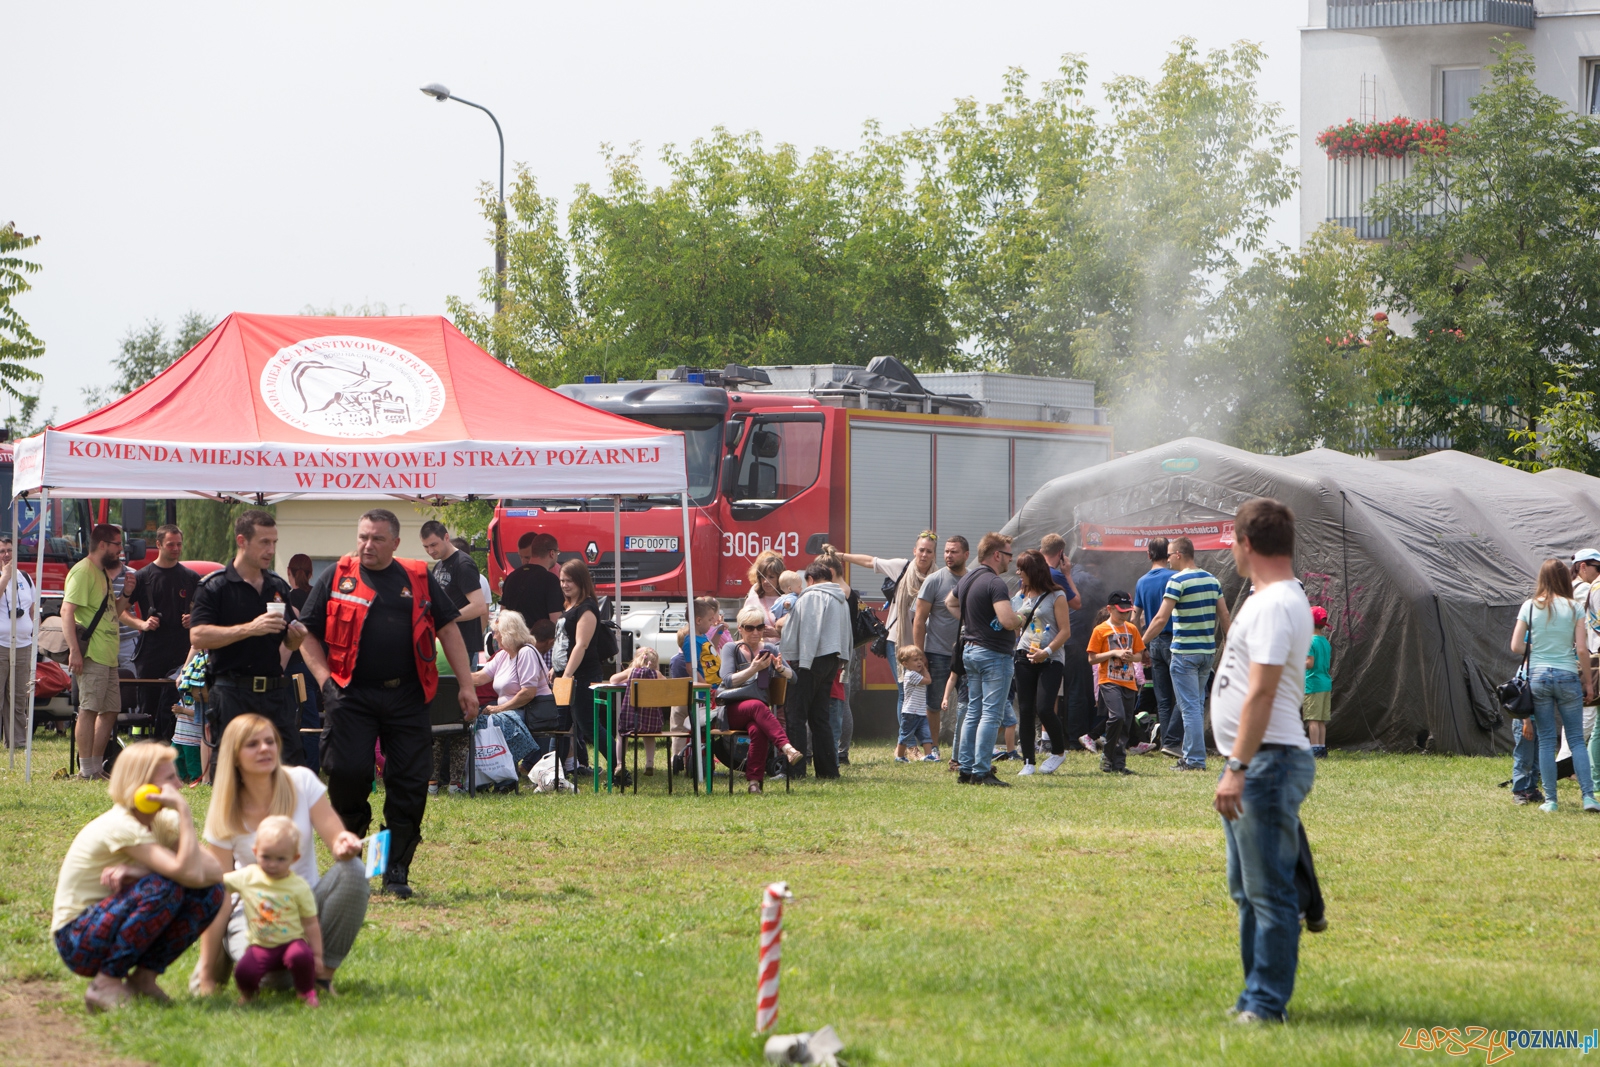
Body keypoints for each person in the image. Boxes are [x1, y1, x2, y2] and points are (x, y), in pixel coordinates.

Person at [296, 509, 476, 898]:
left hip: (407, 695)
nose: (367, 545)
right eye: (363, 537)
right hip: (350, 694)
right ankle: (353, 860)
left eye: (377, 539)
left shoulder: (418, 577)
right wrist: (325, 681)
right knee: (346, 774)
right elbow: (307, 633)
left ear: (395, 543)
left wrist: (466, 686)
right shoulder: (336, 576)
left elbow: (448, 629)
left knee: (408, 784)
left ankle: (393, 868)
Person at [1209, 498, 1315, 1025]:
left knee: (1269, 893)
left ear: (1246, 544)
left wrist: (1237, 766)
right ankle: (1253, 997)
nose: (1232, 550)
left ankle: (1267, 1005)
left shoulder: (1275, 604)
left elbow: (1264, 693)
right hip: (1258, 761)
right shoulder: (1264, 597)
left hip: (1265, 763)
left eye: (1233, 541)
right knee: (1247, 890)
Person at [195, 714, 367, 997]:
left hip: (305, 902)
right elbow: (221, 891)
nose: (265, 749)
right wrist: (206, 972)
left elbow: (335, 837)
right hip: (255, 911)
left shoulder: (301, 780)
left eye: (269, 741)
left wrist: (344, 842)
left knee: (353, 871)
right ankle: (236, 955)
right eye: (252, 744)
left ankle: (322, 977)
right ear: (235, 757)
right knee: (269, 980)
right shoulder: (225, 805)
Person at [52, 741, 224, 1012]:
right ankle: (105, 984)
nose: (178, 786)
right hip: (77, 938)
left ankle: (143, 980)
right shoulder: (121, 825)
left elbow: (214, 871)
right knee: (164, 886)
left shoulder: (161, 821)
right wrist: (185, 812)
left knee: (209, 893)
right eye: (169, 778)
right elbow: (185, 872)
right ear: (143, 787)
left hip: (108, 924)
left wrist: (142, 870)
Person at [189, 511, 309, 765]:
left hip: (274, 694)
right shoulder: (215, 586)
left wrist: (295, 639)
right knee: (233, 772)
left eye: (274, 542)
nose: (271, 549)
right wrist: (248, 629)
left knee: (290, 769)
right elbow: (198, 636)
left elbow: (286, 641)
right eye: (264, 542)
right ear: (242, 541)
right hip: (232, 692)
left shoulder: (277, 586)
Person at [1510, 558, 1599, 812]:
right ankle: (1589, 798)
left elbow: (1516, 646)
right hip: (1568, 676)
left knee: (1547, 741)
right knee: (1576, 740)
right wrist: (1589, 686)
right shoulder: (1574, 607)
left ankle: (1551, 801)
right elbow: (1582, 649)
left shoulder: (1529, 606)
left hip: (1538, 676)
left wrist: (1540, 648)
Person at [1142, 537, 1231, 771]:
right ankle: (1190, 755)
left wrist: (1140, 644)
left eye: (1169, 555)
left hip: (1184, 654)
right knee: (1196, 705)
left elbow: (1161, 618)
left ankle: (1194, 760)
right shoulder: (1212, 580)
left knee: (1189, 707)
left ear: (1179, 554)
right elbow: (1224, 615)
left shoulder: (1176, 580)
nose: (1168, 559)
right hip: (1206, 653)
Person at [948, 533, 1024, 787]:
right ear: (996, 555)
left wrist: (973, 621)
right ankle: (982, 771)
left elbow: (950, 602)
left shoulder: (969, 576)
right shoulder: (995, 582)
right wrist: (1021, 618)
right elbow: (1007, 620)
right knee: (991, 714)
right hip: (993, 654)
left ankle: (966, 769)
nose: (1010, 561)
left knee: (973, 711)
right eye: (1008, 555)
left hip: (970, 651)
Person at [224, 814, 323, 1006]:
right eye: (266, 857)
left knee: (302, 957)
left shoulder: (298, 886)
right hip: (260, 944)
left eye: (280, 859)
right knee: (243, 971)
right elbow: (221, 882)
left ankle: (306, 992)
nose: (272, 864)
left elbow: (311, 922)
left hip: (291, 942)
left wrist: (318, 955)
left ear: (294, 858)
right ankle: (249, 994)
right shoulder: (248, 876)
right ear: (255, 851)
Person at [837, 533, 938, 720]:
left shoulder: (937, 577)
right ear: (914, 551)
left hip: (925, 644)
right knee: (905, 690)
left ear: (934, 555)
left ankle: (918, 738)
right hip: (897, 641)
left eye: (929, 551)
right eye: (921, 550)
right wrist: (842, 556)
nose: (924, 555)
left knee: (922, 692)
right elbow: (870, 562)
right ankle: (906, 742)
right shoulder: (902, 567)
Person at [62, 523, 129, 780]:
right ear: (103, 545)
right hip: (92, 655)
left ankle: (96, 766)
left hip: (108, 655)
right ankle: (86, 770)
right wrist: (75, 651)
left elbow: (113, 612)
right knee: (89, 709)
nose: (121, 550)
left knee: (111, 709)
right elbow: (66, 611)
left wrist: (128, 595)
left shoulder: (101, 573)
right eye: (117, 545)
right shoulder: (82, 572)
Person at [122, 524, 199, 744]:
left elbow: (205, 610)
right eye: (170, 545)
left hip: (182, 653)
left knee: (177, 705)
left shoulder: (190, 578)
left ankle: (174, 750)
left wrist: (194, 619)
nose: (176, 549)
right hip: (151, 654)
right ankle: (142, 748)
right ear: (158, 545)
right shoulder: (142, 576)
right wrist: (142, 624)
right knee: (147, 707)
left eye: (179, 544)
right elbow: (120, 611)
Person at [780, 561, 852, 779]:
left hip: (809, 660)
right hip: (832, 660)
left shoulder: (811, 596)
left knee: (795, 715)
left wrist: (799, 660)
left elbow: (807, 631)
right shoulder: (840, 598)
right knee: (820, 717)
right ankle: (828, 770)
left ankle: (795, 771)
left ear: (810, 580)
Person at [719, 606, 803, 792]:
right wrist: (753, 669)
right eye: (750, 628)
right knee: (757, 706)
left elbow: (794, 678)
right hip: (734, 710)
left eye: (760, 627)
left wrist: (780, 669)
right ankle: (787, 748)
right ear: (740, 628)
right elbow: (727, 680)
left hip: (759, 714)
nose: (756, 632)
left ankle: (754, 783)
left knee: (759, 730)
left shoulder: (770, 648)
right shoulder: (731, 648)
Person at [1011, 549, 1072, 776]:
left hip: (1051, 659)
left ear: (1033, 570)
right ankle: (1028, 761)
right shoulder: (1021, 595)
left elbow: (1065, 631)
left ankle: (1058, 752)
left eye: (1022, 569)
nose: (1018, 572)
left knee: (1045, 707)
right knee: (1025, 709)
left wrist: (1046, 651)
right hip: (1023, 655)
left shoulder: (1057, 595)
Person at [559, 559, 619, 778]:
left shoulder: (587, 608)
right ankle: (558, 770)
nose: (565, 585)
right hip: (564, 675)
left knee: (589, 725)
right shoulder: (569, 606)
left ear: (581, 581)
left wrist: (566, 674)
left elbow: (581, 645)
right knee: (562, 724)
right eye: (562, 580)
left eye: (569, 581)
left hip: (582, 676)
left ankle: (617, 765)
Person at [914, 535, 969, 765]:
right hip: (936, 653)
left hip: (967, 653)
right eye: (946, 551)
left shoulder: (972, 580)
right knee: (933, 703)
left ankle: (965, 748)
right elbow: (919, 619)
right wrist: (919, 654)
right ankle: (933, 748)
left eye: (954, 551)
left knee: (968, 704)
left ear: (966, 555)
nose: (949, 555)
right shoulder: (934, 580)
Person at [1087, 592, 1145, 775]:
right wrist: (1114, 653)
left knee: (1126, 723)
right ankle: (1107, 753)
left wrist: (1130, 656)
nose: (1124, 615)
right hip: (1108, 680)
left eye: (1127, 612)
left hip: (1128, 681)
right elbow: (1092, 658)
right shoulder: (1100, 630)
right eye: (1121, 611)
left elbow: (1139, 655)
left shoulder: (1132, 629)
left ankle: (1118, 764)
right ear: (1110, 609)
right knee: (1117, 716)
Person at [1134, 537, 1180, 758]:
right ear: (1168, 554)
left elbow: (1135, 617)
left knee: (1162, 697)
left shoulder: (1142, 582)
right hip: (1176, 640)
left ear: (1148, 554)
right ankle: (1176, 741)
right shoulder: (1175, 577)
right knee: (1182, 694)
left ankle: (1164, 740)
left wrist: (1140, 644)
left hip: (1153, 642)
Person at [420, 520, 488, 661]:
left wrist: (446, 618)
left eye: (433, 545)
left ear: (446, 537)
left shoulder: (463, 564)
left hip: (463, 646)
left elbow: (479, 607)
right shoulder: (439, 565)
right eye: (426, 547)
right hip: (445, 644)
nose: (430, 551)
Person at [0, 534, 36, 751]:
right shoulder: (4, 575)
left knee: (18, 697)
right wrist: (5, 576)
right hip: (1, 644)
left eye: (9, 550)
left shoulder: (25, 577)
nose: (6, 555)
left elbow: (31, 609)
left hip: (23, 645)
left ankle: (17, 742)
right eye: (2, 551)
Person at [499, 532, 563, 627]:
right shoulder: (551, 580)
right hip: (539, 640)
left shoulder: (511, 578)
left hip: (513, 639)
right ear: (552, 553)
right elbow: (556, 621)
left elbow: (502, 613)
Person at [894, 644, 934, 761]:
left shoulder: (915, 674)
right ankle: (900, 756)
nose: (920, 662)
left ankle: (929, 755)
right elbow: (928, 680)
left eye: (921, 659)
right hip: (910, 713)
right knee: (905, 735)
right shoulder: (911, 675)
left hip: (920, 712)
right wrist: (925, 670)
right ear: (905, 664)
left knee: (926, 735)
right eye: (915, 660)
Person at [1302, 607, 1332, 759]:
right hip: (1326, 684)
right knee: (1321, 720)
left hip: (1313, 684)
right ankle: (1321, 748)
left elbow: (1309, 663)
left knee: (1312, 719)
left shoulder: (1310, 641)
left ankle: (1314, 750)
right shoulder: (1325, 642)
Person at [743, 550, 786, 631]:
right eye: (763, 576)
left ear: (779, 577)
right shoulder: (752, 599)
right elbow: (743, 629)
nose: (766, 581)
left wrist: (777, 634)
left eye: (771, 577)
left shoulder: (788, 600)